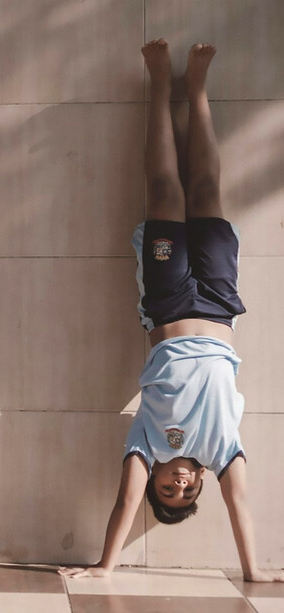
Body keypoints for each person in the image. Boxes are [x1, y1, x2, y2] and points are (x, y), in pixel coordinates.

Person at [60, 40, 284, 583]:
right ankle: (197, 91)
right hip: (219, 302)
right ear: (202, 482)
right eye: (186, 492)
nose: (178, 485)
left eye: (167, 491)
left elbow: (122, 503)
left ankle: (161, 85)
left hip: (168, 300)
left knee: (164, 190)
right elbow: (241, 507)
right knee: (206, 189)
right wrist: (254, 572)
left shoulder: (146, 443)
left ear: (156, 475)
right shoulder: (222, 449)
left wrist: (106, 568)